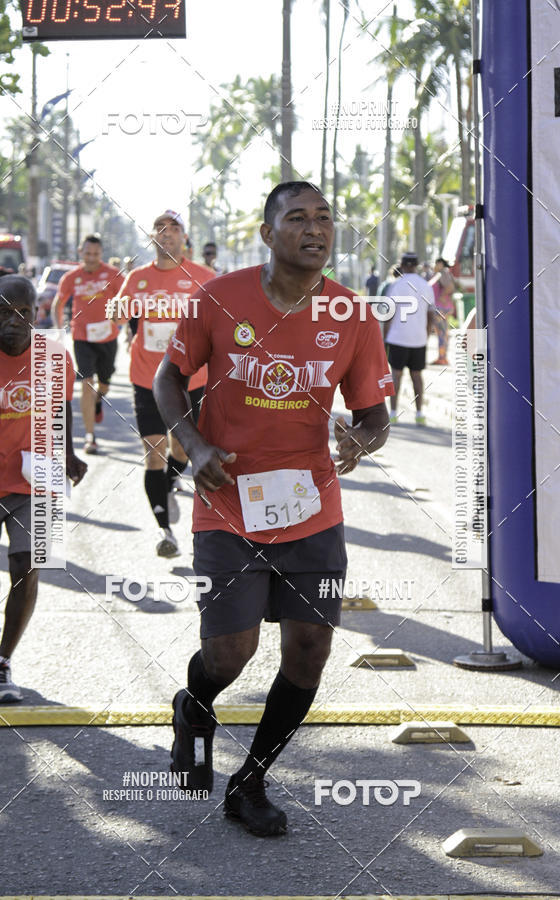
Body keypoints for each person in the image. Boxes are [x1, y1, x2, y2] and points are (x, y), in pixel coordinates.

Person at [154, 181, 393, 836]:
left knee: (310, 648)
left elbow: (375, 415)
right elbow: (167, 377)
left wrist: (362, 439)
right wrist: (194, 445)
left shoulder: (352, 314)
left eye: (324, 217)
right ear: (267, 233)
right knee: (229, 653)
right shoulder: (219, 299)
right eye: (297, 218)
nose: (315, 229)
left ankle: (250, 781)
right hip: (228, 502)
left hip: (311, 506)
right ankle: (194, 703)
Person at [0, 275, 87, 702]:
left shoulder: (54, 355)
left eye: (24, 312)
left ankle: (1, 664)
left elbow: (61, 406)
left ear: (37, 313)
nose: (15, 321)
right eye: (5, 313)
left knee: (29, 565)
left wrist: (68, 453)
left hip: (34, 478)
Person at [113, 211, 214, 557]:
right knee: (153, 453)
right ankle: (165, 530)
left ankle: (171, 482)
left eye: (173, 229)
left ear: (184, 237)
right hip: (146, 378)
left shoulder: (204, 277)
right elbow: (119, 314)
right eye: (159, 228)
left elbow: (222, 323)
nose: (166, 234)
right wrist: (115, 308)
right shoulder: (138, 278)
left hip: (191, 379)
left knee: (182, 450)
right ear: (152, 238)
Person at [52, 235, 123, 454]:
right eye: (87, 253)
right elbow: (58, 303)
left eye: (96, 254)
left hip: (108, 337)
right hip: (82, 336)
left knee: (104, 384)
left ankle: (98, 400)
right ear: (80, 251)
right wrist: (58, 330)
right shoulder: (72, 277)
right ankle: (90, 437)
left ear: (101, 254)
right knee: (86, 383)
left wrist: (124, 323)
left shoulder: (113, 275)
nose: (91, 258)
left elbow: (127, 301)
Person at [383, 251, 436, 426]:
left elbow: (388, 315)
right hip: (418, 338)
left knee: (396, 376)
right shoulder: (426, 286)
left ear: (403, 266)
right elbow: (431, 315)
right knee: (417, 376)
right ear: (417, 266)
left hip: (397, 337)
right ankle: (419, 414)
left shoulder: (396, 285)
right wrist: (426, 334)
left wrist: (384, 338)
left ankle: (392, 413)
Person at [429, 256, 456, 365]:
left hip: (441, 308)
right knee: (442, 332)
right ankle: (442, 356)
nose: (434, 266)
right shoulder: (442, 273)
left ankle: (442, 358)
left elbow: (450, 287)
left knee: (441, 332)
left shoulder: (442, 273)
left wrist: (442, 297)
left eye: (436, 263)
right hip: (442, 307)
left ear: (440, 264)